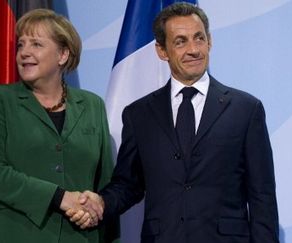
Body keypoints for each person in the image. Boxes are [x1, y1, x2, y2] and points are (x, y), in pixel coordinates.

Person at [69, 2, 279, 243]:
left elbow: (262, 197)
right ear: (162, 50)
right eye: (180, 41)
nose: (193, 49)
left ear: (209, 41)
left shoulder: (245, 109)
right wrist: (101, 203)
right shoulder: (139, 114)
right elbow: (128, 184)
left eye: (199, 38)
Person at [0, 8, 119, 243]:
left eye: (36, 45)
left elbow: (104, 182)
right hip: (10, 234)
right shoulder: (0, 99)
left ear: (62, 55)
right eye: (21, 45)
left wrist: (96, 206)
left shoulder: (92, 105)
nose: (24, 53)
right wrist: (60, 197)